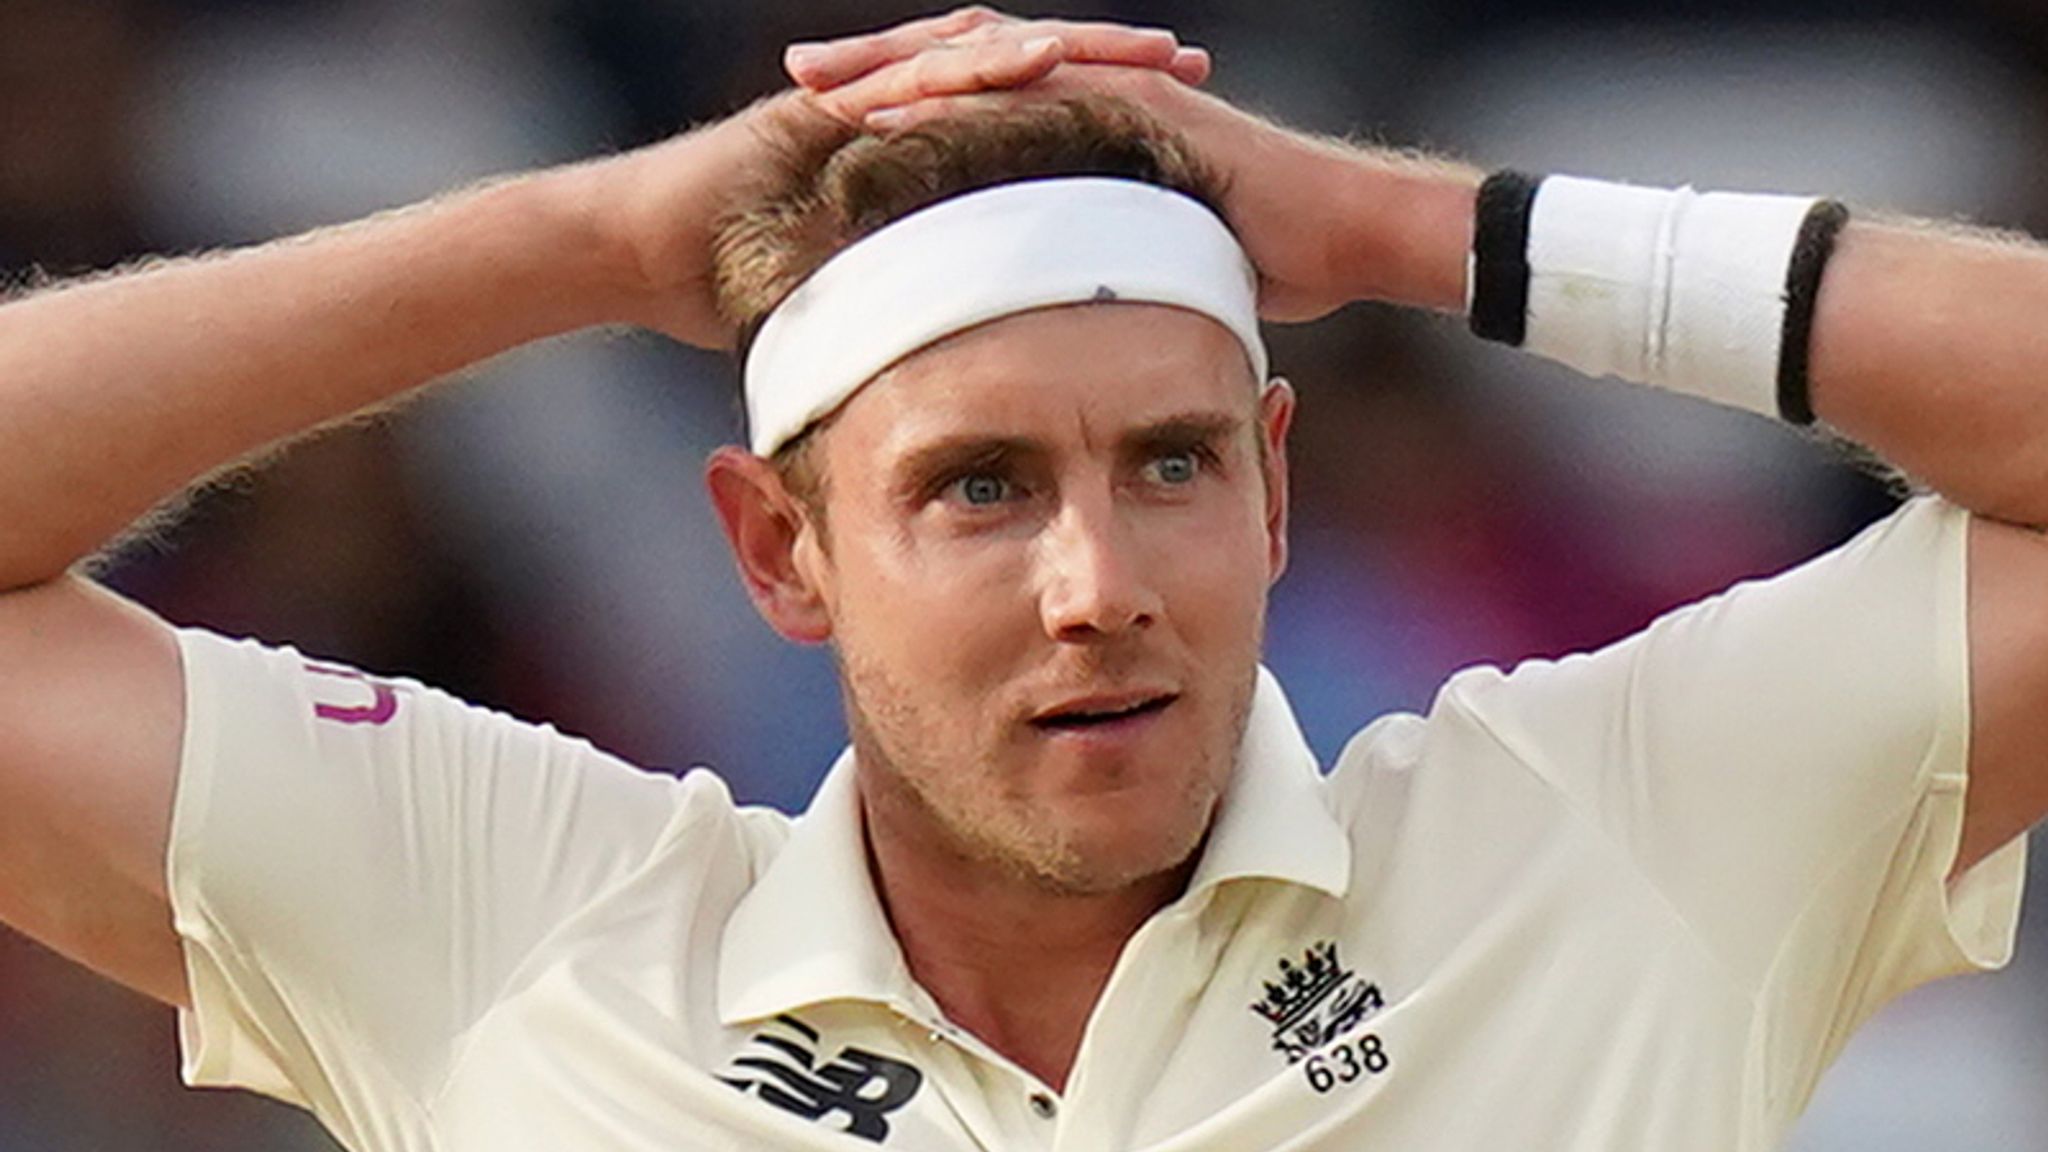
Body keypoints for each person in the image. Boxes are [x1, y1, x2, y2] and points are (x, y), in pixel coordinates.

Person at [1, 7, 2044, 1149]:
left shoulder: (1616, 842)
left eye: (1166, 463)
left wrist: (1406, 226)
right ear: (776, 550)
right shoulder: (517, 927)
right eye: (976, 489)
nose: (1097, 585)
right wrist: (584, 241)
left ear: (1270, 491)